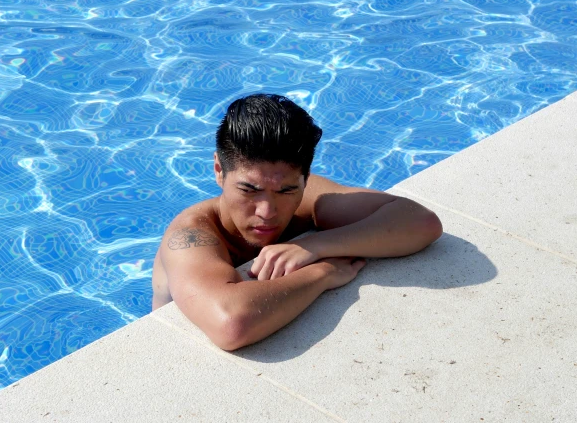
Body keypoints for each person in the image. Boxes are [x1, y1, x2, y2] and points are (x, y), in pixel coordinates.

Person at [151, 94, 443, 351]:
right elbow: (231, 324)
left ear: (304, 179)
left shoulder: (310, 199)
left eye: (287, 191)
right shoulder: (191, 235)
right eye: (248, 190)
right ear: (218, 170)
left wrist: (315, 244)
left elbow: (422, 222)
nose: (267, 211)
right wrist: (322, 273)